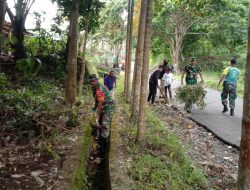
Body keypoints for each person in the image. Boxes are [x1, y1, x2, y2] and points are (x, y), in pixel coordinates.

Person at [88, 74, 115, 162]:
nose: (92, 82)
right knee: (100, 124)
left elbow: (100, 103)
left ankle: (102, 151)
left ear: (97, 80)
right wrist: (94, 109)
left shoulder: (99, 89)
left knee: (104, 126)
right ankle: (100, 141)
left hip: (108, 107)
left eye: (94, 81)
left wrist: (97, 115)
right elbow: (97, 101)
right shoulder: (94, 88)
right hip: (103, 106)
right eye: (91, 81)